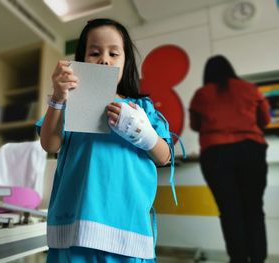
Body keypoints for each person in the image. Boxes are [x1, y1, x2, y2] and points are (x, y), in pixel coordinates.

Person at [37, 18, 175, 262]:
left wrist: (145, 134)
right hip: (76, 225)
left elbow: (164, 156)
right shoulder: (69, 102)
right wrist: (58, 98)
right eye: (94, 52)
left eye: (114, 53)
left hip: (127, 227)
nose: (104, 60)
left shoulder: (142, 107)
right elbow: (50, 144)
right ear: (81, 60)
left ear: (126, 62)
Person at [189, 55, 271, 263]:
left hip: (216, 154)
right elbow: (265, 119)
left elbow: (196, 125)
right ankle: (258, 258)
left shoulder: (201, 94)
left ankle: (238, 259)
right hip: (251, 151)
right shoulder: (249, 89)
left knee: (229, 210)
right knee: (253, 207)